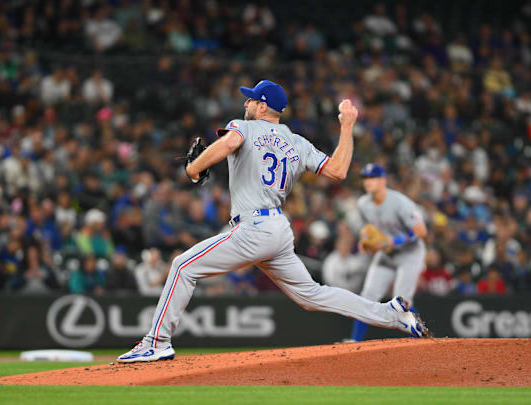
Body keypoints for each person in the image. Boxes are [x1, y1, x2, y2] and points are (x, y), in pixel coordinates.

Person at [118, 80, 428, 363]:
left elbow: (227, 144)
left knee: (182, 266)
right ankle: (392, 315)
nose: (246, 104)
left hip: (253, 227)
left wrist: (193, 169)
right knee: (312, 294)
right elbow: (338, 171)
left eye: (251, 100)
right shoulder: (297, 142)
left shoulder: (243, 126)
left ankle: (156, 342)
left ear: (263, 106)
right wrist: (347, 128)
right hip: (278, 230)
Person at [346, 163, 430, 342]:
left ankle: (423, 340)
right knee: (367, 297)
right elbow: (370, 231)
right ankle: (354, 342)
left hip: (410, 253)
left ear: (383, 180)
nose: (368, 182)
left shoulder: (400, 202)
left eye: (373, 178)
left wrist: (395, 241)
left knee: (401, 302)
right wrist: (366, 243)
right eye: (366, 178)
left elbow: (422, 231)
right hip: (387, 253)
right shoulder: (363, 204)